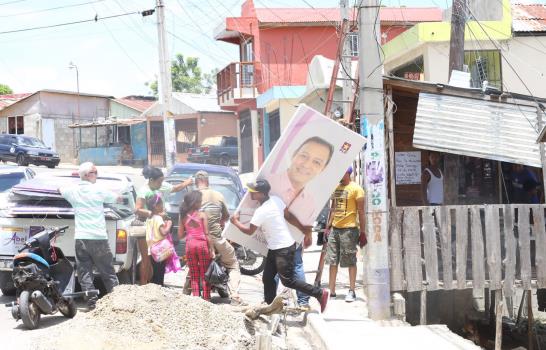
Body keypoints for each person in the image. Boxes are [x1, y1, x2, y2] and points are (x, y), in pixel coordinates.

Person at [230, 179, 329, 312]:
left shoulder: (261, 211)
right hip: (276, 247)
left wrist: (235, 222)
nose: (251, 193)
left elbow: (249, 231)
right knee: (267, 278)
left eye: (254, 191)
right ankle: (269, 305)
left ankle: (319, 293)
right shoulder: (276, 200)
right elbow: (288, 216)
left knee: (288, 281)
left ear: (261, 194)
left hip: (283, 249)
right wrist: (302, 228)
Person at [59, 162, 119, 310]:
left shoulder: (72, 191)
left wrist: (76, 178)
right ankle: (118, 301)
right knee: (107, 271)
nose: (97, 175)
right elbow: (115, 198)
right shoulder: (98, 190)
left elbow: (60, 188)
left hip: (81, 238)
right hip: (98, 238)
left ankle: (92, 303)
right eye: (94, 172)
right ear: (87, 175)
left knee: (84, 272)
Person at [135, 166, 192, 285]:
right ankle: (144, 285)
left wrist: (187, 182)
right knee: (146, 259)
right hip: (147, 229)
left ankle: (156, 284)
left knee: (159, 258)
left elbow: (176, 188)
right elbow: (138, 209)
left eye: (162, 181)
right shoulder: (143, 191)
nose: (161, 184)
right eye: (159, 181)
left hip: (158, 228)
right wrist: (155, 213)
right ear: (151, 180)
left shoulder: (158, 187)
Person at [193, 170, 244, 305]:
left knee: (192, 267)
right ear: (208, 182)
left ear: (195, 182)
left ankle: (189, 294)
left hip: (197, 240)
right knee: (233, 264)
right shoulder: (218, 195)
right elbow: (226, 217)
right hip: (216, 238)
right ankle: (235, 296)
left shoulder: (192, 197)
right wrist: (220, 222)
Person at [267, 136, 334, 228]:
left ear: (322, 169)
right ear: (294, 154)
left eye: (317, 162)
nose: (306, 165)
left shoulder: (310, 204)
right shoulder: (266, 184)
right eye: (304, 155)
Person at [326, 167, 366, 303]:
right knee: (332, 260)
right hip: (335, 229)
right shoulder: (336, 188)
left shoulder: (357, 189)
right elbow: (333, 209)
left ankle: (352, 290)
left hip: (349, 230)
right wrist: (328, 227)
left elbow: (361, 212)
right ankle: (331, 292)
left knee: (350, 260)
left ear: (347, 173)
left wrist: (363, 232)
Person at [178, 191, 215, 301]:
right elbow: (207, 234)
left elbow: (180, 235)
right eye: (200, 201)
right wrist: (212, 249)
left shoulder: (183, 217)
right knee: (205, 273)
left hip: (190, 245)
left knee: (194, 274)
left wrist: (189, 232)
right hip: (202, 245)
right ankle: (206, 298)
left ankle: (196, 299)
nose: (201, 203)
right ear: (195, 203)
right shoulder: (202, 215)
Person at [145, 194, 178, 286]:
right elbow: (164, 232)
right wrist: (169, 224)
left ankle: (153, 289)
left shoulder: (149, 218)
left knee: (153, 273)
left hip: (151, 249)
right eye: (161, 204)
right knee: (159, 274)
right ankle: (158, 289)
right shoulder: (158, 218)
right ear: (156, 206)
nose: (163, 207)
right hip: (160, 249)